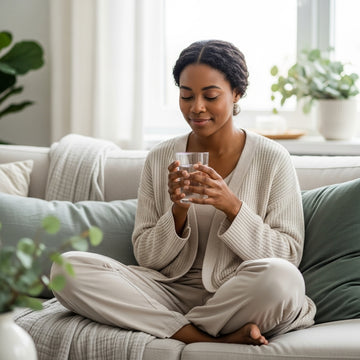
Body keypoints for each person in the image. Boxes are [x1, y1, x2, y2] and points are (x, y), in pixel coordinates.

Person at [51, 39, 316, 345]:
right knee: (66, 268)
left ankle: (177, 329)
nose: (196, 108)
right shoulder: (161, 157)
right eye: (186, 95)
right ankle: (209, 337)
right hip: (166, 291)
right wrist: (177, 211)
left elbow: (288, 255)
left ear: (236, 94)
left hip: (238, 294)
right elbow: (148, 257)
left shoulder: (272, 158)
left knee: (283, 280)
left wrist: (232, 207)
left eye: (210, 96)